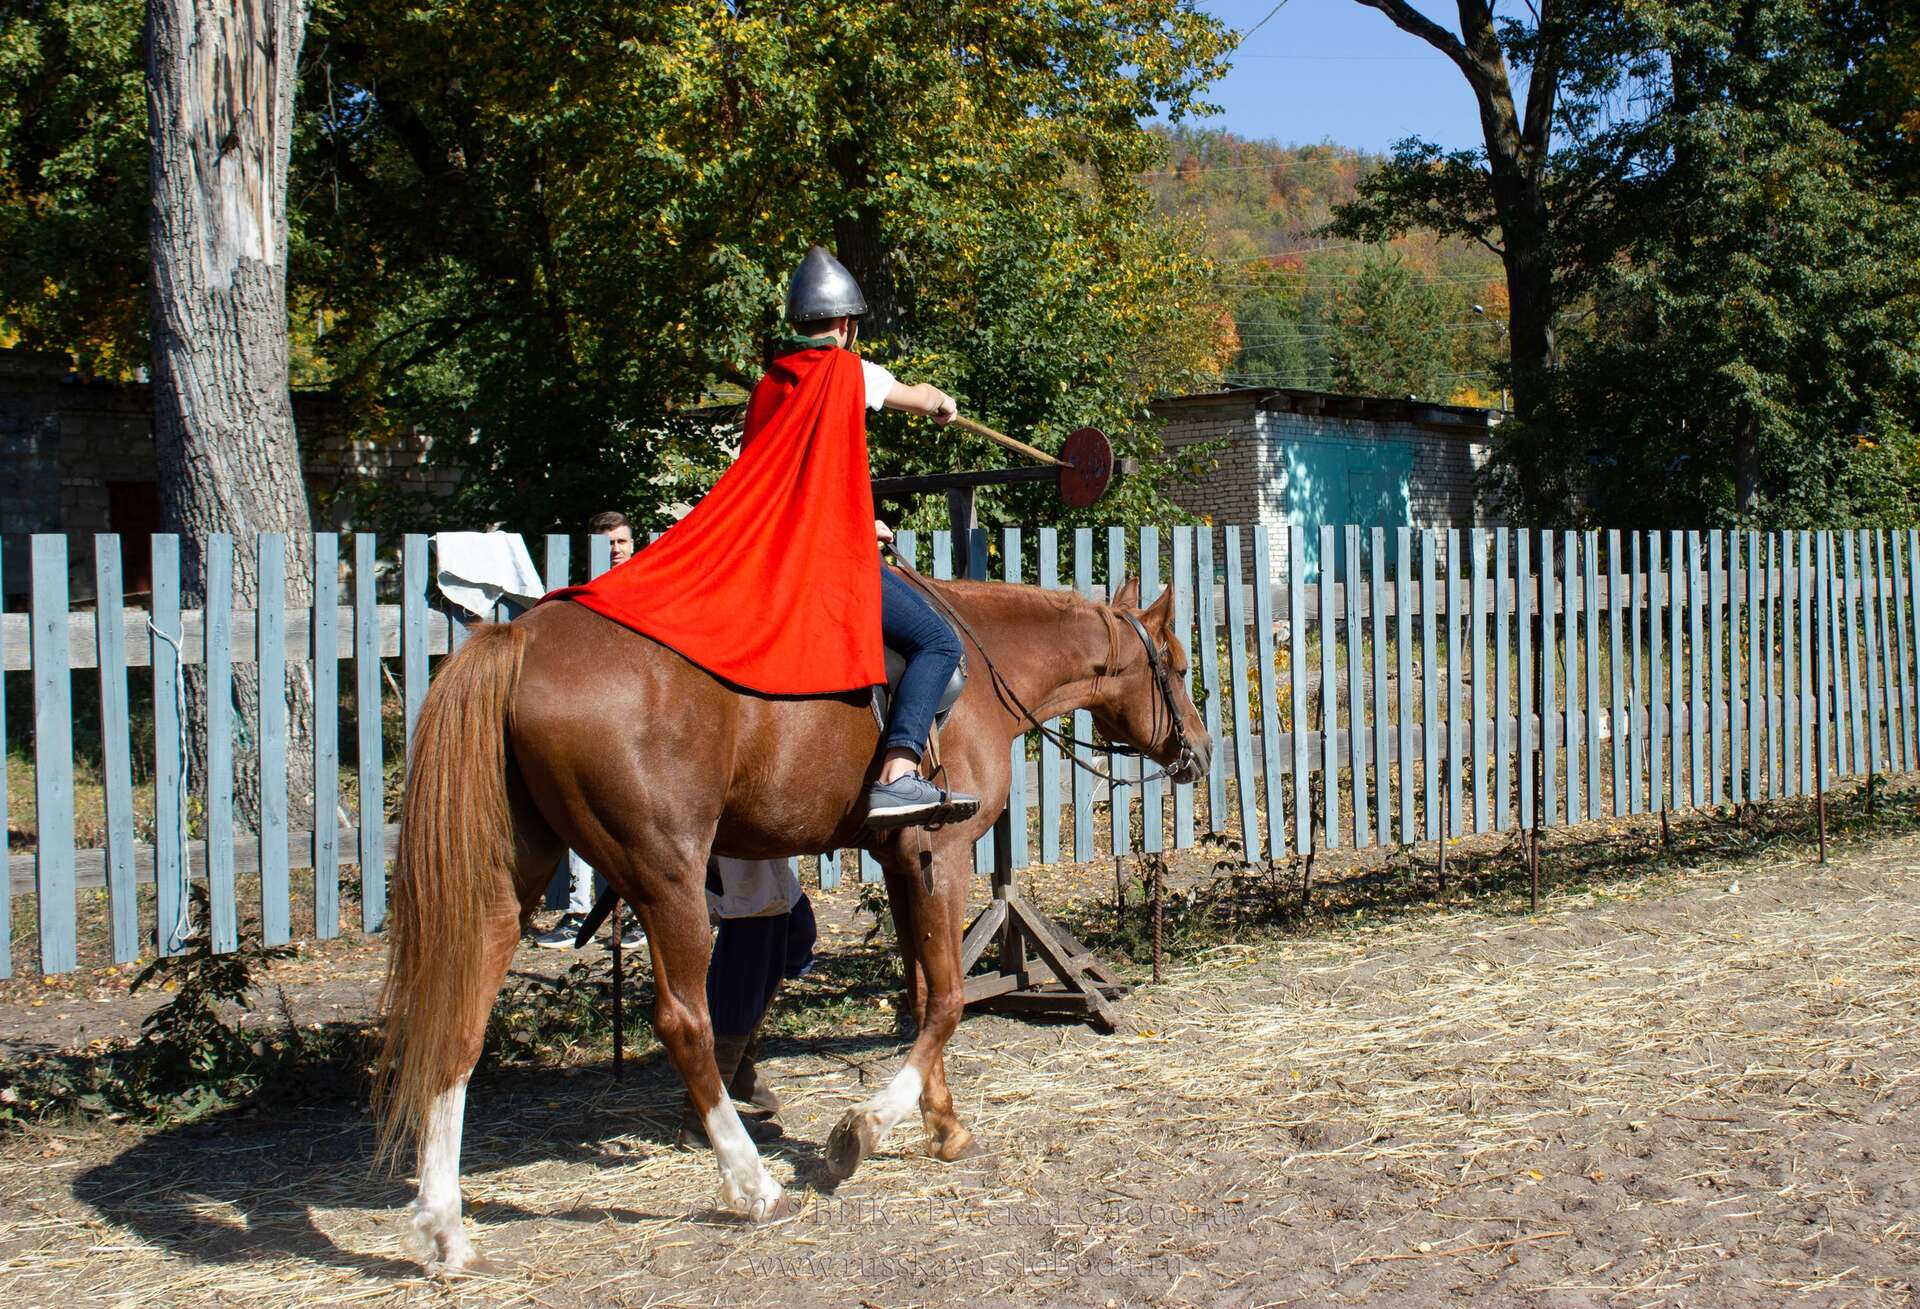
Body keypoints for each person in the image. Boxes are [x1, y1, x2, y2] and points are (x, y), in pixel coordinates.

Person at [546, 245, 977, 828]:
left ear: (798, 325)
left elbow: (787, 485)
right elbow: (921, 398)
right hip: (825, 569)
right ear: (846, 326)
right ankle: (899, 773)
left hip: (776, 559)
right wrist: (942, 404)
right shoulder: (848, 372)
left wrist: (856, 520)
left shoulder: (770, 386)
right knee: (939, 641)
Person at [531, 510, 643, 949]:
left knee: (637, 826)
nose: (615, 550)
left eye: (621, 541)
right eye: (607, 543)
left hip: (638, 723)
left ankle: (636, 916)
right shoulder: (584, 598)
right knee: (582, 819)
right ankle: (579, 912)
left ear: (632, 544)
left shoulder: (648, 586)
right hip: (594, 719)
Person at [678, 856, 818, 1147]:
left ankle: (736, 1069)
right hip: (738, 836)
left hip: (758, 844)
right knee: (754, 922)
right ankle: (703, 1116)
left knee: (796, 926)